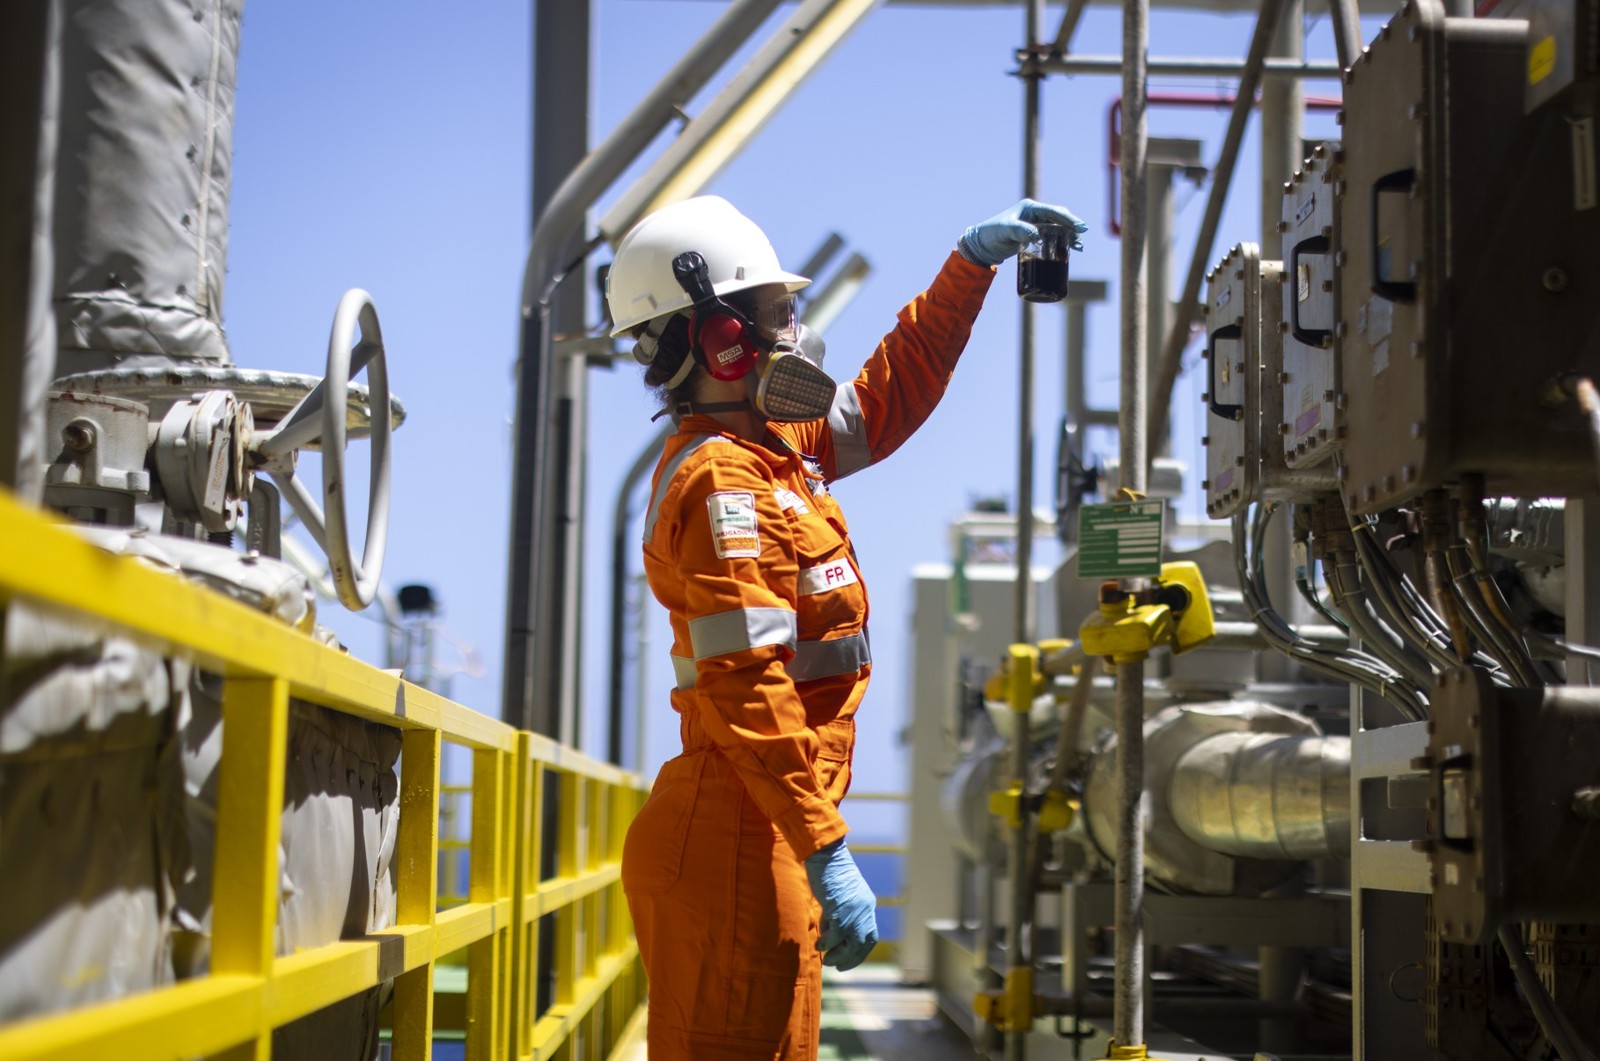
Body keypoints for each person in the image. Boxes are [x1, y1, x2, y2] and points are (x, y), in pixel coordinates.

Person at [606, 194, 1086, 1059]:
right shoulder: (725, 483)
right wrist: (825, 847)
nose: (796, 334)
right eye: (777, 315)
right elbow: (745, 681)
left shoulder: (776, 454)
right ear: (721, 339)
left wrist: (967, 267)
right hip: (740, 835)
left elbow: (888, 394)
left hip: (772, 826)